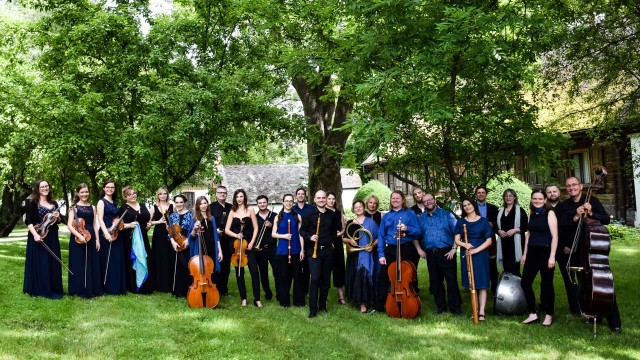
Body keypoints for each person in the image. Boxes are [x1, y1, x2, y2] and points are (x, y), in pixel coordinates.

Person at [558, 176, 622, 333]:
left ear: (580, 186)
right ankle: (595, 316)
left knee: (603, 284)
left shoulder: (592, 201)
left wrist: (591, 212)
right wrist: (575, 216)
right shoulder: (565, 206)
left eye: (574, 184)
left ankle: (614, 321)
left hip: (593, 250)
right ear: (566, 189)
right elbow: (562, 227)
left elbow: (606, 219)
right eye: (568, 185)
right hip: (575, 250)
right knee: (584, 286)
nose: (571, 187)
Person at [374, 191, 425, 313]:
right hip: (391, 249)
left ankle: (413, 303)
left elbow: (419, 232)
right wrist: (381, 254)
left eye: (398, 198)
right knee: (383, 277)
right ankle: (379, 306)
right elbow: (381, 236)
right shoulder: (386, 216)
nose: (395, 200)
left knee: (410, 276)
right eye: (393, 198)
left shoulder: (410, 214)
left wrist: (407, 229)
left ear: (403, 200)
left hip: (407, 248)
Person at [418, 194, 462, 315]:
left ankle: (456, 308)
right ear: (423, 204)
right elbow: (415, 234)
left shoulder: (447, 215)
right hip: (430, 254)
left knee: (451, 280)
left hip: (446, 252)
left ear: (435, 200)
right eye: (425, 201)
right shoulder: (421, 218)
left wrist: (454, 248)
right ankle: (441, 307)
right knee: (435, 281)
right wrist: (419, 250)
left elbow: (457, 231)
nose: (428, 202)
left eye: (430, 200)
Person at [300, 190, 339, 318]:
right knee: (315, 278)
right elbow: (302, 231)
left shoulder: (331, 215)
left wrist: (332, 242)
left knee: (326, 280)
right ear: (315, 199)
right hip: (313, 251)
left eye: (323, 198)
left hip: (328, 251)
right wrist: (310, 237)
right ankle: (313, 309)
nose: (321, 200)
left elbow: (334, 230)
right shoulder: (309, 214)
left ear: (326, 199)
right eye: (319, 198)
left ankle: (322, 306)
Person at [521, 190, 558, 326]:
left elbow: (555, 236)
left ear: (545, 200)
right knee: (525, 282)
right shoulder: (531, 214)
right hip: (532, 252)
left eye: (540, 199)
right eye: (535, 198)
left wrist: (552, 256)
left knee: (547, 284)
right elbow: (528, 235)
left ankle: (549, 314)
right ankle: (532, 313)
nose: (537, 201)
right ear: (531, 200)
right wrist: (525, 254)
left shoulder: (550, 213)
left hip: (546, 252)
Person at [23, 180, 64, 299]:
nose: (45, 188)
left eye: (47, 186)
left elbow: (58, 221)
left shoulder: (54, 203)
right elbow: (28, 221)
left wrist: (58, 218)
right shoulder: (32, 203)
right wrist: (35, 234)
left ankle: (53, 287)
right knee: (41, 261)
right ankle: (40, 288)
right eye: (42, 187)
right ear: (37, 189)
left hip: (52, 236)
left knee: (52, 261)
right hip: (38, 234)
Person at [454, 199, 493, 321]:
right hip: (467, 254)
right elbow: (457, 239)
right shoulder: (460, 222)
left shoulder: (483, 221)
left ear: (474, 206)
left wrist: (476, 250)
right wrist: (464, 245)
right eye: (464, 205)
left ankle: (481, 312)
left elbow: (489, 240)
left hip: (480, 254)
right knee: (472, 284)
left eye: (469, 204)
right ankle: (475, 310)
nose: (467, 207)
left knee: (481, 283)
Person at [225, 189, 261, 307]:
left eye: (241, 196)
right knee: (239, 273)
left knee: (254, 272)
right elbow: (226, 230)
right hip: (236, 245)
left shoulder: (250, 209)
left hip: (249, 244)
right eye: (237, 197)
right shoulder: (232, 212)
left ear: (244, 198)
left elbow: (256, 228)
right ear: (235, 198)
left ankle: (257, 299)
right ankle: (243, 298)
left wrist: (252, 242)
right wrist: (236, 235)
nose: (239, 199)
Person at [67, 183, 102, 298]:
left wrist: (97, 240)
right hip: (77, 238)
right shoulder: (74, 207)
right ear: (78, 193)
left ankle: (91, 288)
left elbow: (94, 225)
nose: (84, 194)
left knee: (91, 262)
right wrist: (79, 235)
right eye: (82, 192)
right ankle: (78, 289)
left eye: (86, 192)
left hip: (91, 237)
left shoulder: (93, 207)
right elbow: (69, 225)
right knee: (78, 263)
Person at [344, 200, 379, 313]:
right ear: (353, 209)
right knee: (356, 277)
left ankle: (364, 303)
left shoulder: (371, 222)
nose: (358, 208)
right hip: (354, 254)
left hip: (366, 253)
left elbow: (379, 237)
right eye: (356, 207)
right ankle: (359, 302)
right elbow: (344, 238)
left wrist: (372, 246)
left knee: (363, 276)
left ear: (364, 208)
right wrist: (350, 240)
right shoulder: (350, 223)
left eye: (360, 206)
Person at [272, 194, 305, 307]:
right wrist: (284, 236)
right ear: (283, 202)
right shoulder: (278, 217)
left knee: (297, 276)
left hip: (295, 250)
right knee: (284, 276)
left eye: (291, 201)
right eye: (287, 201)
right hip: (282, 251)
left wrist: (302, 250)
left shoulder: (297, 216)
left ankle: (298, 301)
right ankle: (284, 301)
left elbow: (301, 235)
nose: (289, 203)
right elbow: (273, 234)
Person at [119, 186, 153, 294]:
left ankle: (146, 285)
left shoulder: (142, 205)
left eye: (134, 193)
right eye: (129, 194)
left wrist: (148, 225)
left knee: (145, 258)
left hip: (143, 236)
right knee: (134, 260)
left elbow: (146, 220)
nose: (133, 196)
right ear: (125, 197)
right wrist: (129, 225)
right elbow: (119, 226)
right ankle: (134, 286)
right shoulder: (123, 208)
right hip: (130, 239)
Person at [97, 180, 126, 295]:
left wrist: (120, 225)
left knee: (116, 260)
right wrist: (106, 233)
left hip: (116, 233)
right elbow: (100, 219)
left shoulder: (115, 202)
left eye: (112, 187)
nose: (110, 189)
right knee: (106, 260)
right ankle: (106, 287)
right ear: (104, 189)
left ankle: (116, 287)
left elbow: (117, 218)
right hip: (106, 233)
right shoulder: (101, 202)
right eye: (107, 187)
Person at [496, 189, 528, 277]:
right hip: (503, 243)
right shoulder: (500, 211)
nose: (508, 197)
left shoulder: (520, 211)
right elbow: (495, 226)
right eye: (506, 196)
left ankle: (518, 288)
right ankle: (507, 288)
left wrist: (514, 230)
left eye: (510, 196)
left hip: (515, 244)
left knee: (514, 269)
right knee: (506, 268)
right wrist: (498, 231)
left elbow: (526, 226)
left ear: (514, 197)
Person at [189, 196, 223, 281]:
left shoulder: (212, 218)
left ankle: (211, 291)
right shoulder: (194, 219)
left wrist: (220, 251)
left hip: (212, 248)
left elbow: (216, 236)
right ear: (198, 206)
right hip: (201, 249)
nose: (203, 205)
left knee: (212, 271)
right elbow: (191, 237)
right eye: (201, 204)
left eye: (205, 203)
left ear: (207, 204)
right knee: (202, 271)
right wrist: (194, 229)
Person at [149, 187, 174, 293]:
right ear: (157, 195)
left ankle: (169, 284)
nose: (163, 196)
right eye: (160, 194)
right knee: (159, 257)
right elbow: (148, 223)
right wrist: (158, 221)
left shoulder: (173, 206)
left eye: (165, 194)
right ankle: (159, 284)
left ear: (167, 195)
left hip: (170, 234)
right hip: (159, 234)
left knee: (169, 256)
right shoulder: (153, 207)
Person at [475, 185, 499, 294]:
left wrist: (492, 224)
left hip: (490, 240)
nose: (481, 194)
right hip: (476, 239)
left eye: (483, 192)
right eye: (479, 192)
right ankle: (478, 288)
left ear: (486, 194)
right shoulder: (471, 207)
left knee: (492, 264)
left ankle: (494, 289)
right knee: (478, 264)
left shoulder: (493, 208)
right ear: (476, 194)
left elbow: (497, 225)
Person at [255, 195, 279, 301]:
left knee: (277, 271)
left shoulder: (274, 215)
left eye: (264, 202)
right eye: (260, 203)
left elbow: (280, 231)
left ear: (267, 203)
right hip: (260, 249)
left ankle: (279, 293)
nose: (262, 204)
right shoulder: (255, 217)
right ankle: (268, 293)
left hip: (273, 248)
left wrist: (272, 225)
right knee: (263, 273)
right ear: (257, 204)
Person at [168, 194, 192, 297]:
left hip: (187, 242)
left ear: (185, 202)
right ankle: (178, 291)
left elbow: (192, 230)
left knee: (187, 266)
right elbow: (170, 231)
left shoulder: (191, 214)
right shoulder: (172, 215)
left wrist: (189, 240)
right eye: (176, 202)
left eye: (181, 202)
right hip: (175, 242)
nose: (179, 204)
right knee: (177, 267)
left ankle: (189, 289)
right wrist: (172, 241)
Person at [210, 186, 232, 296]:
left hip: (227, 240)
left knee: (226, 266)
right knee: (216, 264)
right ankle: (215, 287)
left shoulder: (231, 207)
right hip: (216, 240)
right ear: (216, 194)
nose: (222, 194)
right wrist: (215, 231)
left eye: (224, 193)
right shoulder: (211, 207)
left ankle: (224, 288)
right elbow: (208, 223)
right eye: (220, 193)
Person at [293, 187, 314, 296]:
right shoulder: (292, 209)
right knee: (297, 268)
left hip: (309, 241)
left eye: (302, 194)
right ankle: (299, 290)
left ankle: (307, 290)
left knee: (307, 268)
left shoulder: (311, 208)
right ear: (296, 196)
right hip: (296, 241)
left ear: (305, 196)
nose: (300, 195)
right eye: (299, 194)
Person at [327, 192, 346, 305]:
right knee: (326, 271)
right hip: (328, 243)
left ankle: (341, 297)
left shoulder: (339, 213)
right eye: (329, 199)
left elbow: (343, 228)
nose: (331, 201)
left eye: (333, 199)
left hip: (338, 243)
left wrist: (340, 234)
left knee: (339, 270)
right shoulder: (323, 213)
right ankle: (323, 296)